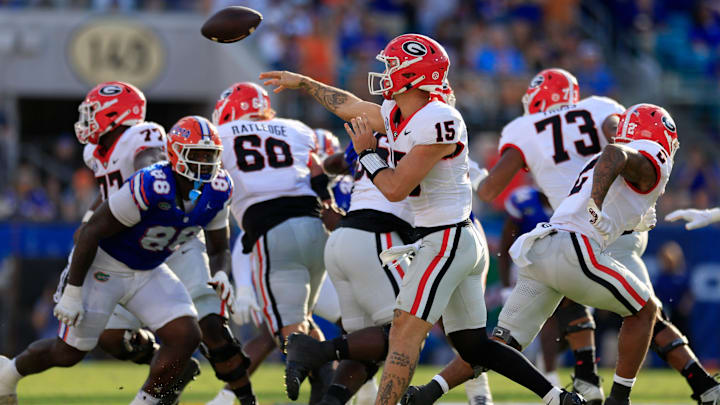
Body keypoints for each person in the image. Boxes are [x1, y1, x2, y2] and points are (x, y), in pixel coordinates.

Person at [260, 34, 582, 405]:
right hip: (452, 238)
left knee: (403, 333)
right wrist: (304, 82)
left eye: (393, 66)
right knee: (474, 346)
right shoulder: (400, 115)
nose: (385, 73)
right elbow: (350, 106)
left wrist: (367, 155)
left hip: (445, 239)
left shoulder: (438, 118)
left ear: (415, 76)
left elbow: (396, 189)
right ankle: (559, 398)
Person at [0, 115, 236, 405]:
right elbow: (90, 232)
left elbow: (219, 247)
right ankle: (7, 375)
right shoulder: (152, 184)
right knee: (68, 353)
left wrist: (222, 273)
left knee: (186, 335)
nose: (205, 163)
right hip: (105, 266)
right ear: (175, 152)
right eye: (196, 154)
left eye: (210, 155)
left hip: (148, 269)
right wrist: (73, 292)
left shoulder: (219, 187)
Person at [70, 82, 256, 405]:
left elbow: (156, 168)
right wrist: (91, 220)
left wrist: (155, 199)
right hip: (134, 246)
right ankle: (174, 366)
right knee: (110, 338)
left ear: (116, 115)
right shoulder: (95, 153)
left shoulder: (144, 137)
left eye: (95, 113)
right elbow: (107, 198)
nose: (89, 120)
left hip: (174, 236)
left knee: (212, 327)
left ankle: (245, 398)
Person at [497, 103, 679, 405]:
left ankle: (429, 392)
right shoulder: (647, 153)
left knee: (498, 345)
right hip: (574, 248)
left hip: (542, 245)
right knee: (645, 311)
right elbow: (615, 154)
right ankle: (618, 399)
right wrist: (596, 203)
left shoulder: (604, 159)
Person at [213, 82, 335, 404]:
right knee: (303, 326)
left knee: (289, 333)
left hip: (272, 231)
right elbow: (317, 172)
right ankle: (328, 390)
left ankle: (329, 389)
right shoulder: (294, 128)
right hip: (315, 227)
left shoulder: (221, 134)